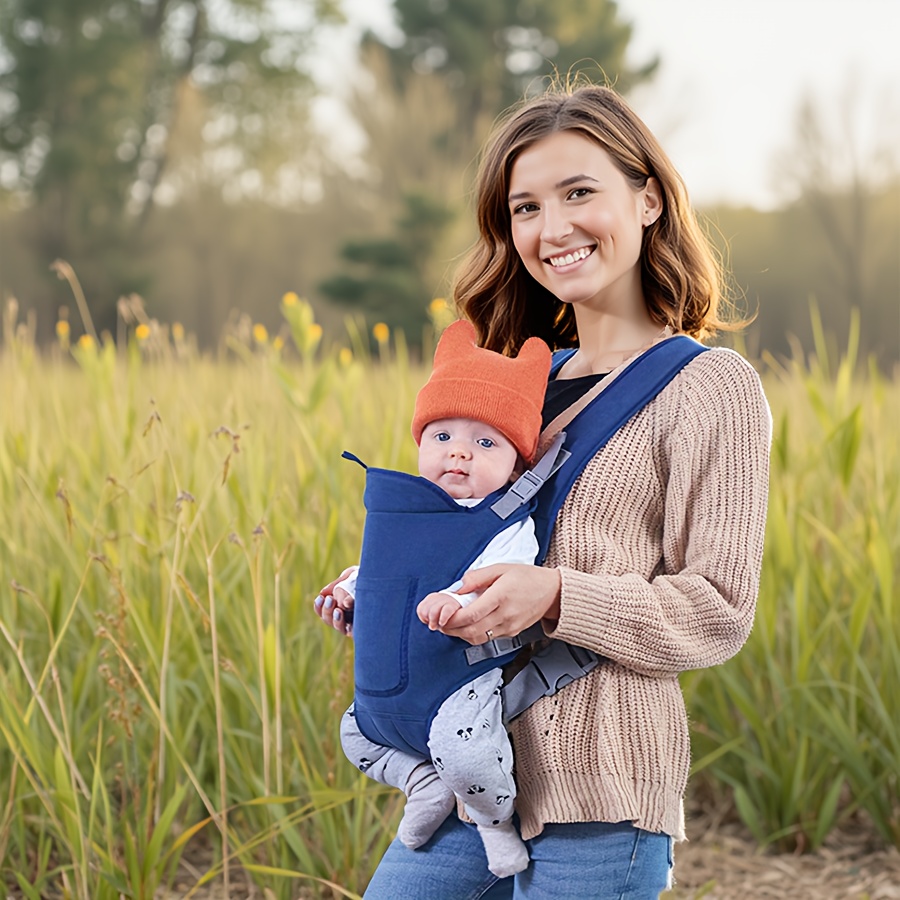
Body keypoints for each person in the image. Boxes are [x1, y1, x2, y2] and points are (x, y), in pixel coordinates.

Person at [315, 80, 771, 899]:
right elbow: (463, 542)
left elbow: (719, 608)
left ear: (649, 199)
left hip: (599, 794)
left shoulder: (712, 387)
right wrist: (390, 597)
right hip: (466, 779)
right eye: (525, 208)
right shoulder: (512, 391)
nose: (551, 228)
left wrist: (557, 595)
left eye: (578, 193)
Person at [328, 317, 554, 878]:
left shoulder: (504, 524)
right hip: (386, 691)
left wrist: (455, 600)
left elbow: (500, 577)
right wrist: (350, 590)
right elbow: (383, 570)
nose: (459, 455)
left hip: (454, 682)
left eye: (485, 442)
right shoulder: (406, 512)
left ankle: (494, 825)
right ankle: (419, 782)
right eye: (442, 437)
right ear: (421, 443)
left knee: (468, 753)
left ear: (517, 463)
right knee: (353, 735)